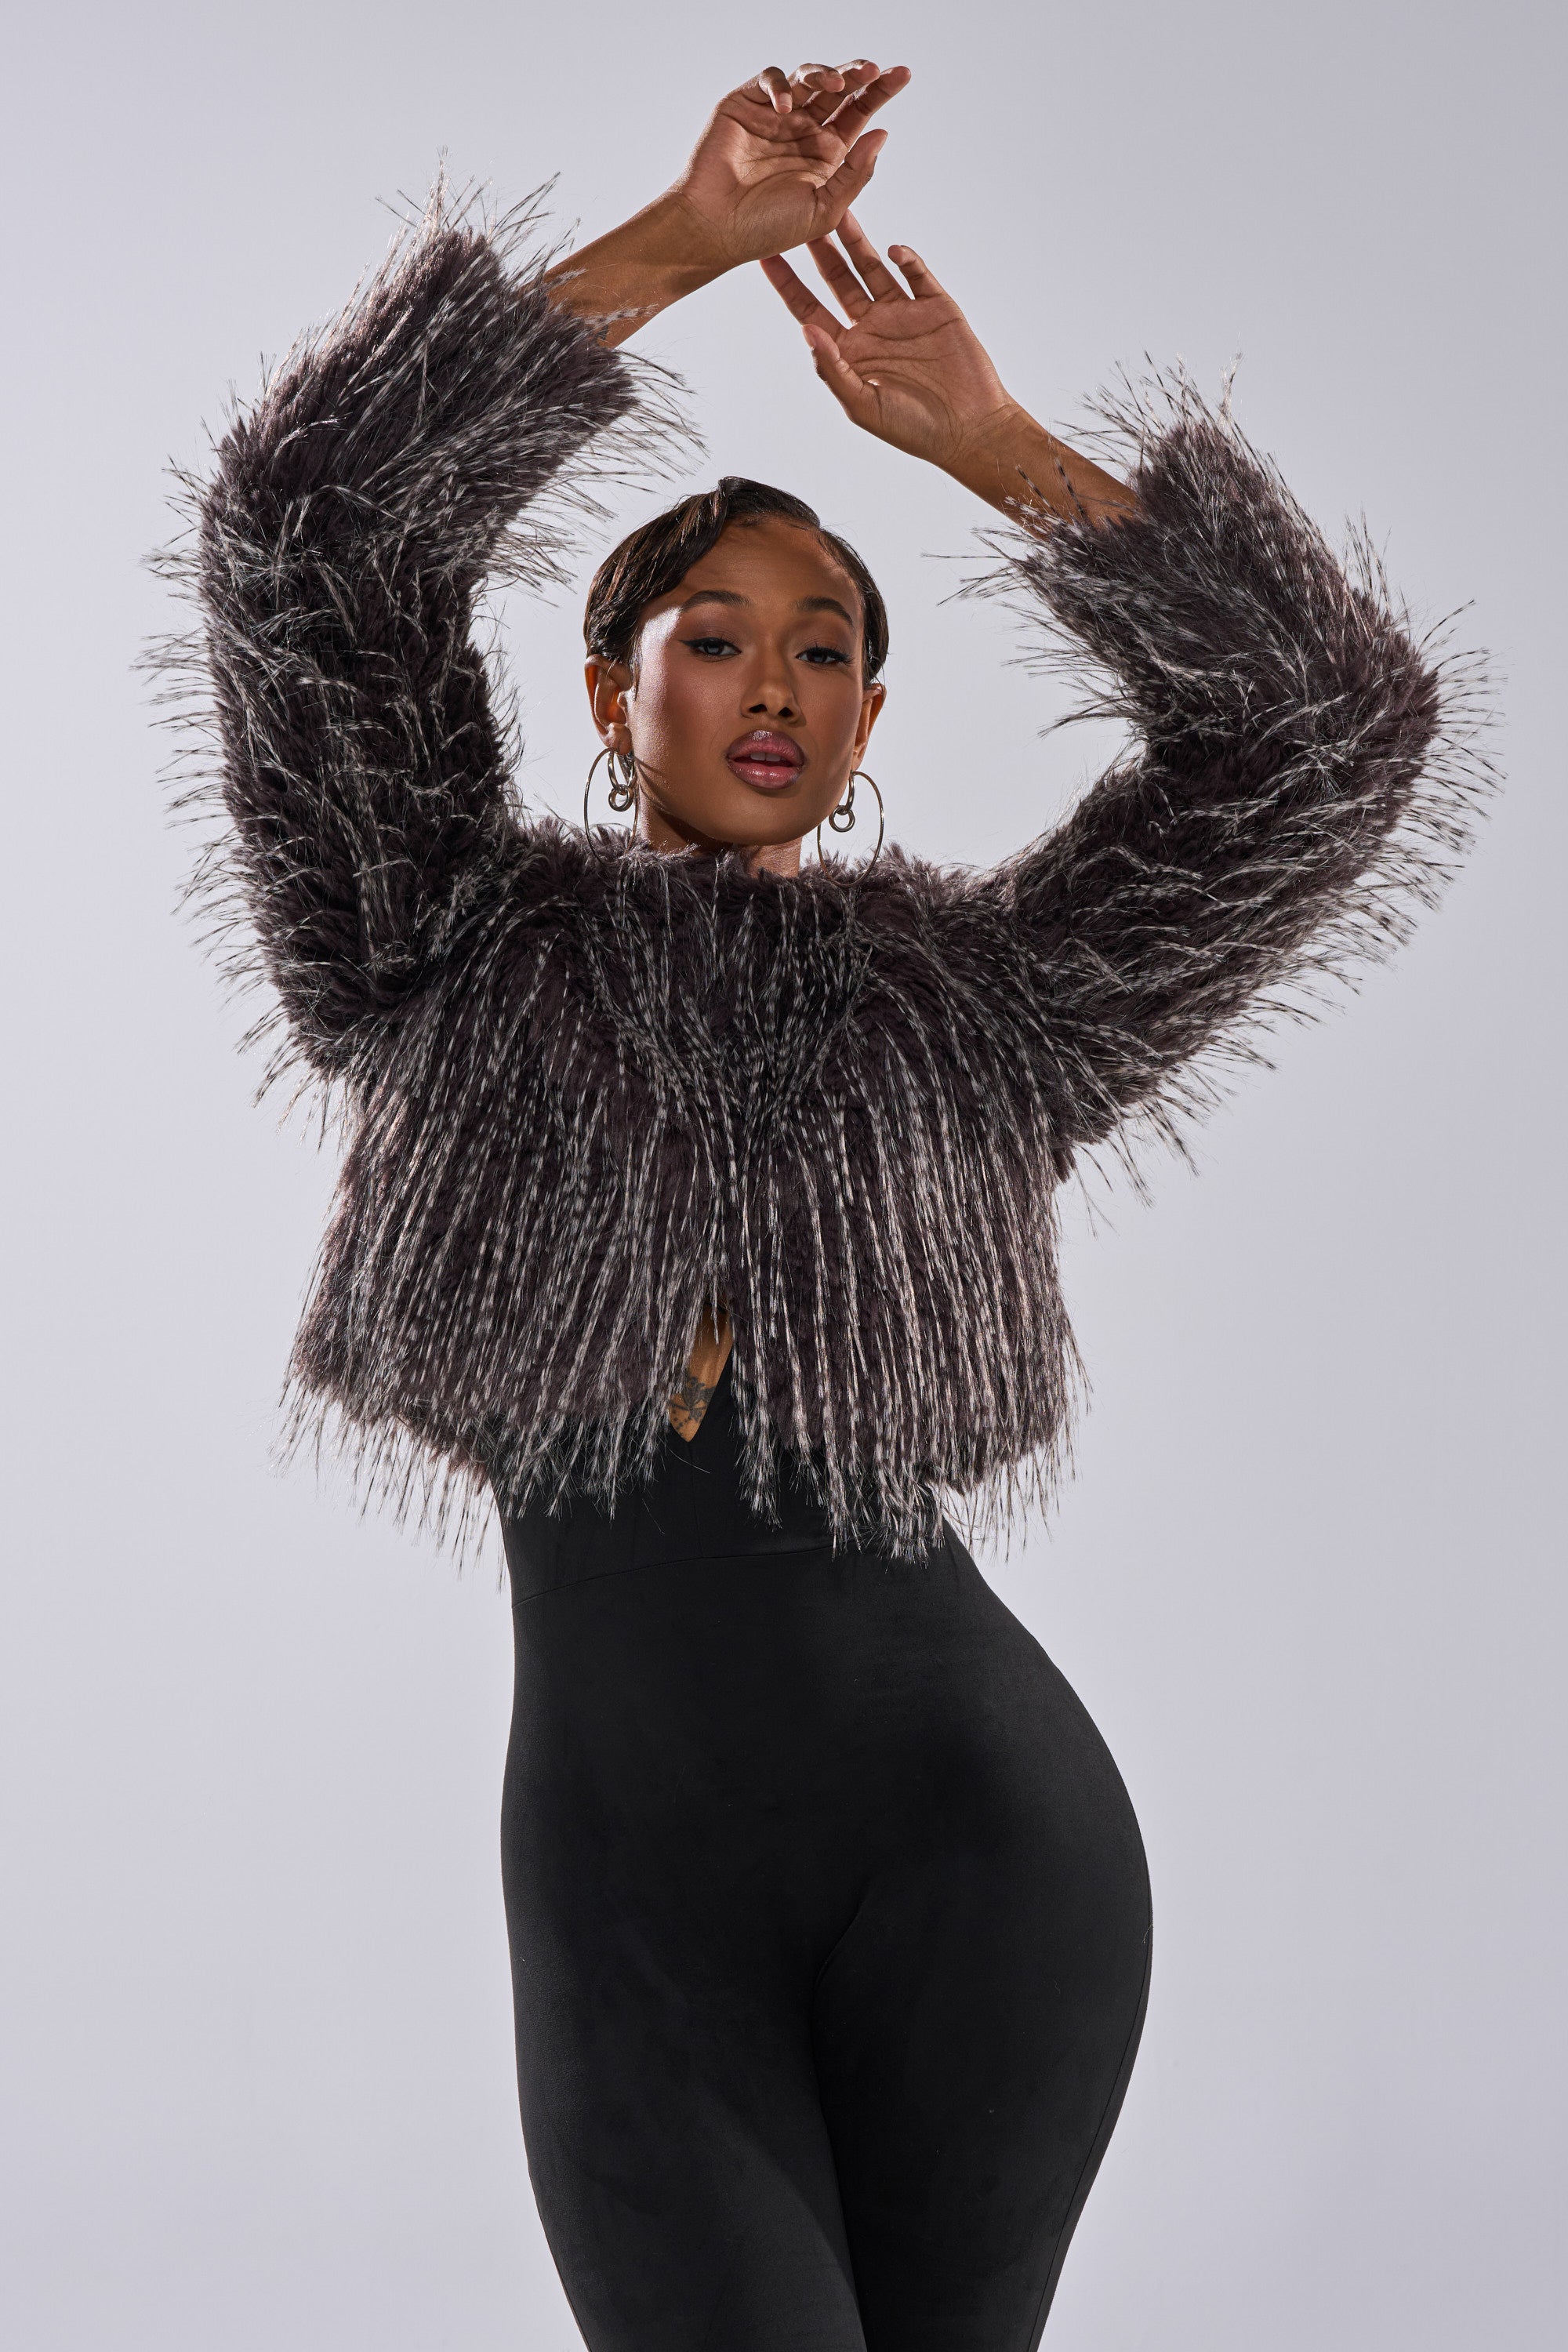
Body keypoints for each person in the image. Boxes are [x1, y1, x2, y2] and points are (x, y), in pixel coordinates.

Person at [176, 55, 1478, 2352]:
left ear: (874, 712)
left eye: (831, 649)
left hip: (989, 1848)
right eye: (719, 637)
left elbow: (1330, 725)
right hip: (626, 1878)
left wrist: (989, 451)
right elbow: (315, 525)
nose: (777, 685)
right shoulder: (430, 933)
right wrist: (682, 241)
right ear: (611, 683)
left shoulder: (997, 1002)